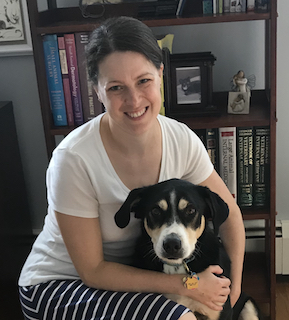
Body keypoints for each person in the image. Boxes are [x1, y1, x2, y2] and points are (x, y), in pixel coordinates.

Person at [18, 16, 245, 320]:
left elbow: (230, 218)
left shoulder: (181, 139)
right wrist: (189, 284)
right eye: (115, 88)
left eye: (143, 81)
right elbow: (93, 271)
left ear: (161, 74)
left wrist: (232, 290)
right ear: (97, 91)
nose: (134, 99)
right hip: (61, 286)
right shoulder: (73, 159)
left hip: (133, 275)